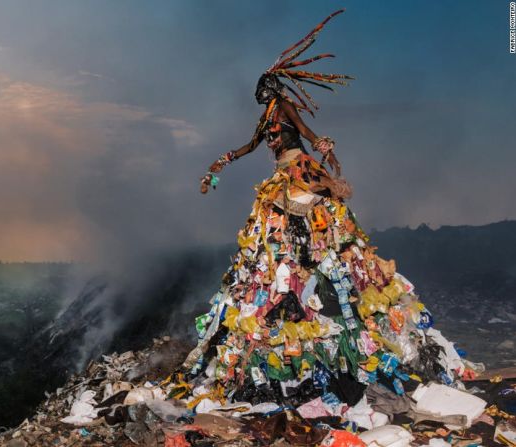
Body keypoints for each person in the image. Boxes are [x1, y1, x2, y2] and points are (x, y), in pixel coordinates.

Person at [182, 9, 479, 411]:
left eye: (263, 90)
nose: (261, 97)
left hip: (299, 170)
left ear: (271, 87)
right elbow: (250, 146)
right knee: (277, 242)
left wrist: (322, 144)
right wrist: (219, 163)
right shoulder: (265, 118)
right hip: (282, 177)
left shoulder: (284, 107)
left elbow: (304, 133)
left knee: (319, 234)